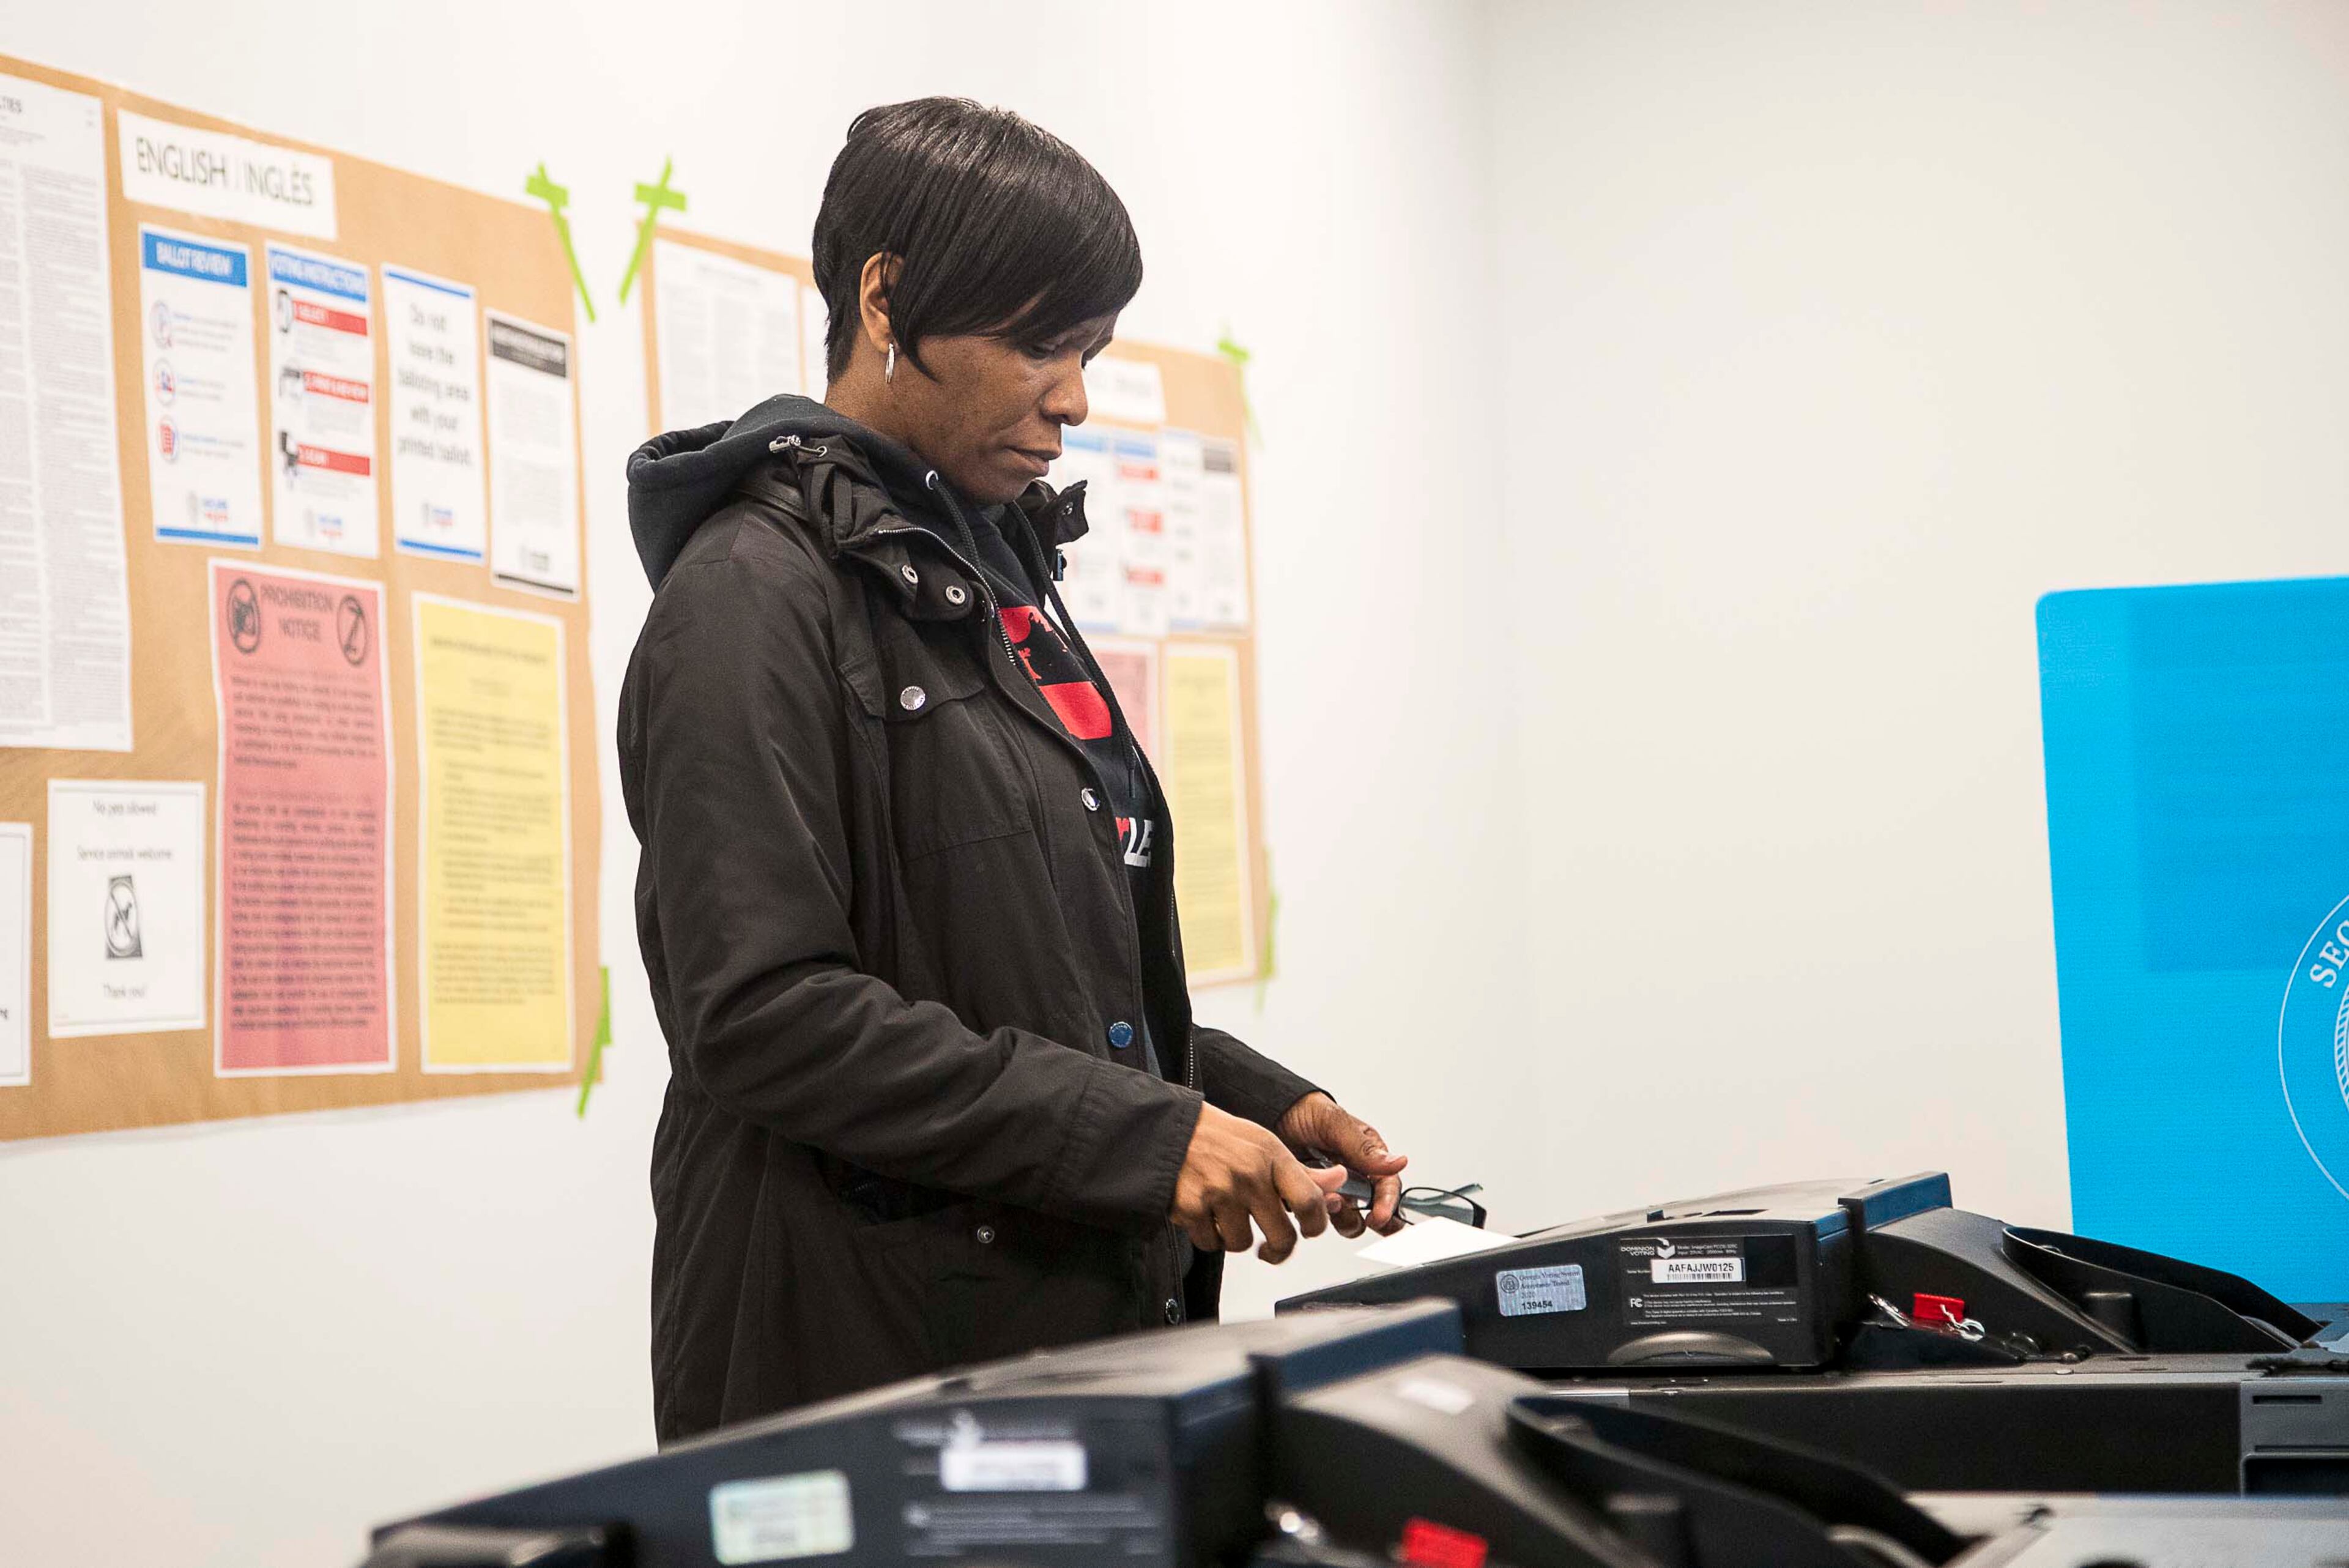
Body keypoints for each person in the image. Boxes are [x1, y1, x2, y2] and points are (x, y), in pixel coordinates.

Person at [618, 97, 1409, 1444]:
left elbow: (1014, 979)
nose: (1075, 397)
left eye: (1091, 348)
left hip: (1051, 1345)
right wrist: (1149, 1141)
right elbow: (763, 1013)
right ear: (887, 297)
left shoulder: (989, 581)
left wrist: (1251, 1104)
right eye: (1040, 341)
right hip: (861, 1372)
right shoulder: (751, 594)